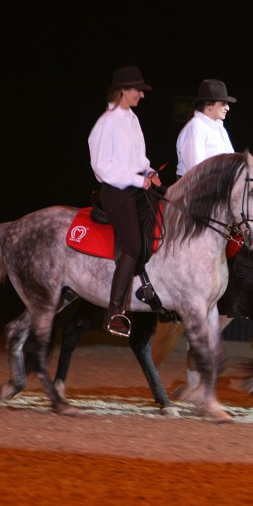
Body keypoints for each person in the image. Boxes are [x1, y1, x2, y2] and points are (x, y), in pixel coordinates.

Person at [88, 65, 162, 338]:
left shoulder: (132, 120)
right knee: (132, 243)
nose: (141, 96)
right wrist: (136, 179)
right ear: (122, 91)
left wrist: (150, 171)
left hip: (137, 186)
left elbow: (138, 159)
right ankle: (115, 312)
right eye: (137, 91)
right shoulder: (106, 123)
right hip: (116, 192)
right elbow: (101, 166)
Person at [175, 78, 237, 179]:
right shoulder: (195, 128)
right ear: (208, 106)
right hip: (196, 192)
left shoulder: (220, 128)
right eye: (223, 103)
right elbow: (195, 171)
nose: (228, 108)